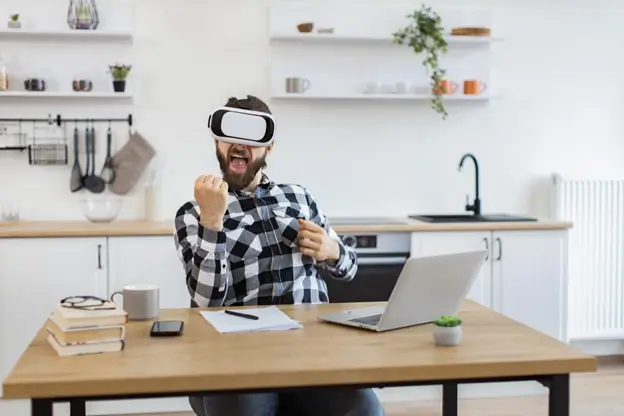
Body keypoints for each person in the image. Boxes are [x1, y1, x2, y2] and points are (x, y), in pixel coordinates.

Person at [173, 95, 385, 416]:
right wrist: (213, 222)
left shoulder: (300, 197)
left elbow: (350, 268)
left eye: (252, 137)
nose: (240, 145)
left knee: (365, 409)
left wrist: (332, 251)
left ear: (268, 147)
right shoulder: (194, 213)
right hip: (240, 356)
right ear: (217, 141)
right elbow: (206, 302)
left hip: (316, 350)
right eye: (231, 135)